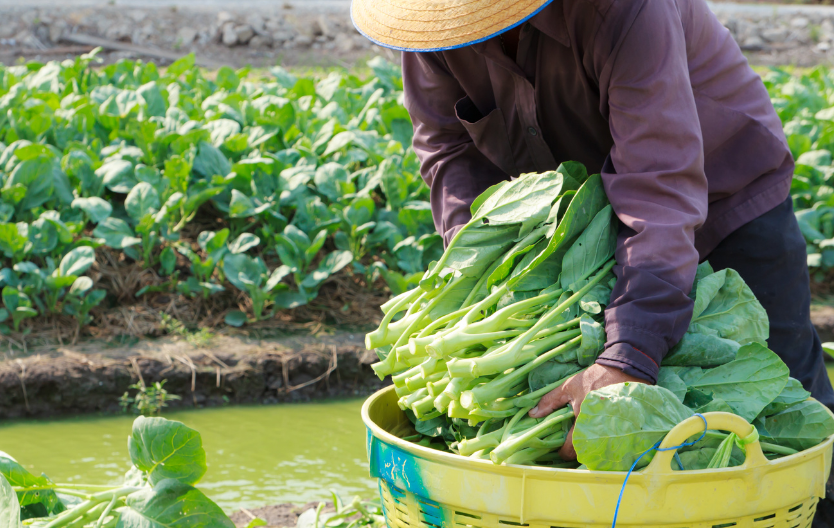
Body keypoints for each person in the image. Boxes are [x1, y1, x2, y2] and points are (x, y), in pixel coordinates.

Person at [351, 0, 834, 523]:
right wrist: (486, 276)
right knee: (594, 438)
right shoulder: (433, 22)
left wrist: (626, 358)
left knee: (785, 407)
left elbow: (659, 191)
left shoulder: (626, 10)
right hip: (577, 229)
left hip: (725, 197)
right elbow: (447, 151)